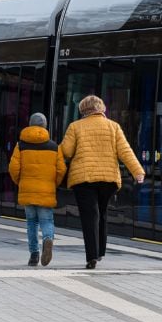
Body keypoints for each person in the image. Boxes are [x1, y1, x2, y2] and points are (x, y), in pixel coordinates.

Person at [60, 95, 145, 269]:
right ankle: (100, 252)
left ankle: (91, 256)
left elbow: (66, 152)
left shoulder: (75, 127)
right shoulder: (113, 127)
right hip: (108, 179)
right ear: (102, 108)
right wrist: (138, 172)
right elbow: (125, 151)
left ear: (83, 110)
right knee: (102, 212)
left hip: (83, 179)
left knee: (89, 216)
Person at [8, 112, 67, 267]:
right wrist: (53, 183)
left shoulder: (20, 146)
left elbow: (13, 168)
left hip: (27, 189)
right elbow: (61, 169)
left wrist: (20, 182)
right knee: (46, 220)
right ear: (45, 126)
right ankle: (48, 239)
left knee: (31, 223)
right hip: (46, 191)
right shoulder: (54, 146)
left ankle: (34, 255)